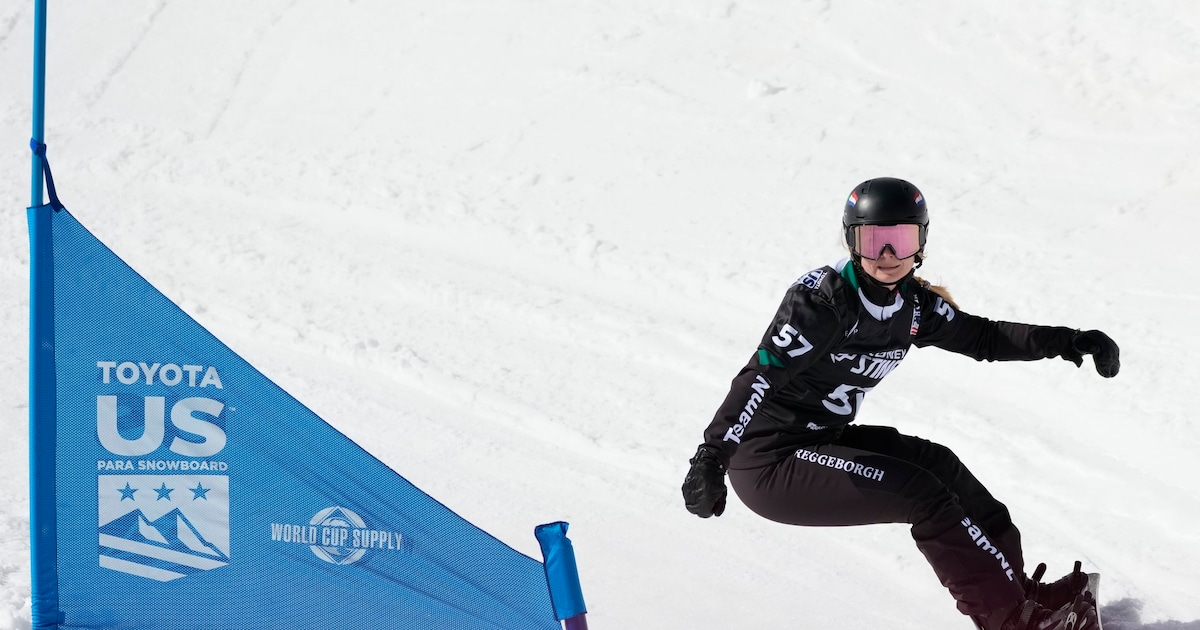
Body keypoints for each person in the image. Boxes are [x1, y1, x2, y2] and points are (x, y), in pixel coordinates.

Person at [681, 177, 1119, 630]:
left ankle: (1019, 593)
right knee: (921, 493)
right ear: (852, 242)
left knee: (940, 466)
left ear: (921, 243)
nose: (888, 256)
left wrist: (1067, 341)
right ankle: (1009, 620)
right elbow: (759, 376)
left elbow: (984, 337)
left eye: (902, 240)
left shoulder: (913, 305)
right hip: (770, 462)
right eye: (874, 241)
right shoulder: (823, 304)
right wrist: (711, 457)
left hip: (822, 440)